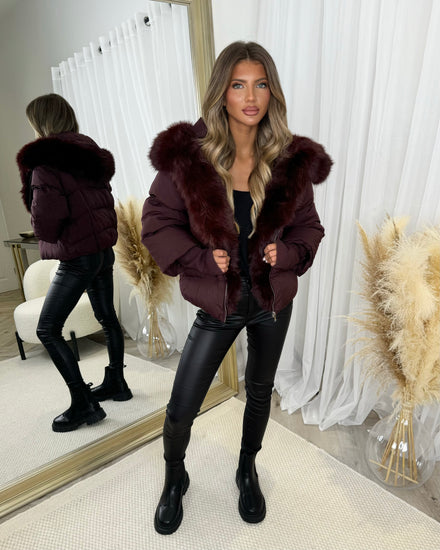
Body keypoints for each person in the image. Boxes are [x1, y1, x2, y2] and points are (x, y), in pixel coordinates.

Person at [141, 41, 332, 534]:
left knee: (260, 392)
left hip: (272, 303)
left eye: (261, 84)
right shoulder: (188, 159)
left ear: (272, 92)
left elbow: (309, 228)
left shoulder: (288, 161)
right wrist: (201, 259)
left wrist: (287, 253)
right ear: (221, 92)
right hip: (218, 304)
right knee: (182, 406)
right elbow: (157, 224)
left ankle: (247, 469)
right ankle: (175, 476)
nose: (251, 97)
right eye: (238, 85)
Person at [16, 93, 132, 433]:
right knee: (107, 318)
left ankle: (83, 403)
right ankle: (117, 382)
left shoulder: (46, 164)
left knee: (47, 329)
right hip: (102, 252)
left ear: (42, 123)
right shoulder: (90, 156)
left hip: (77, 258)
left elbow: (45, 224)